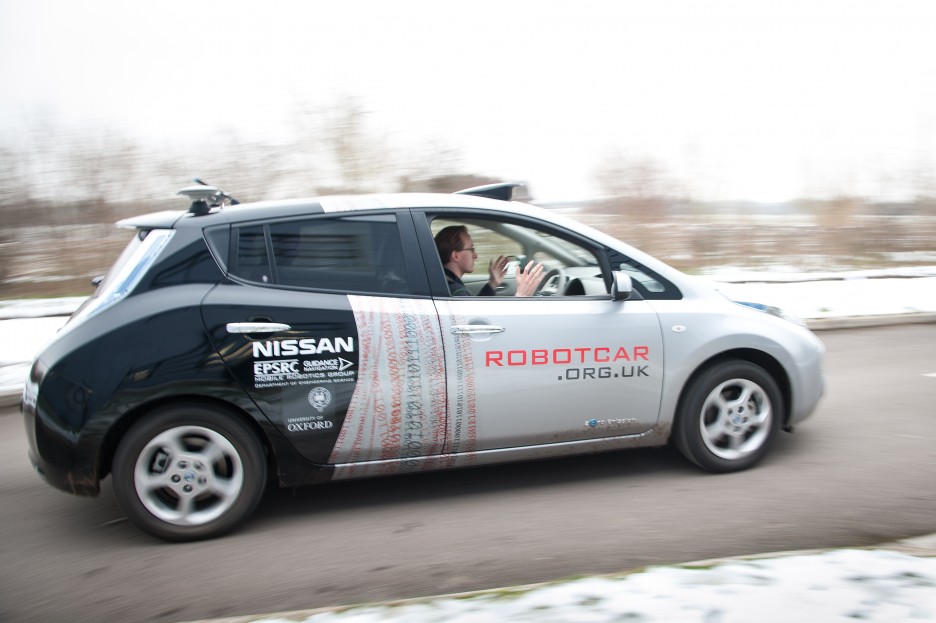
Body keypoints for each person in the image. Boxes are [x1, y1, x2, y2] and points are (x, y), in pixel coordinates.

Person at [434, 225, 545, 297]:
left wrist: (493, 283)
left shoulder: (446, 283)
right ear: (455, 255)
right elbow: (480, 325)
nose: (475, 255)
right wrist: (521, 295)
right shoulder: (456, 292)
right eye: (471, 249)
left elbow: (476, 311)